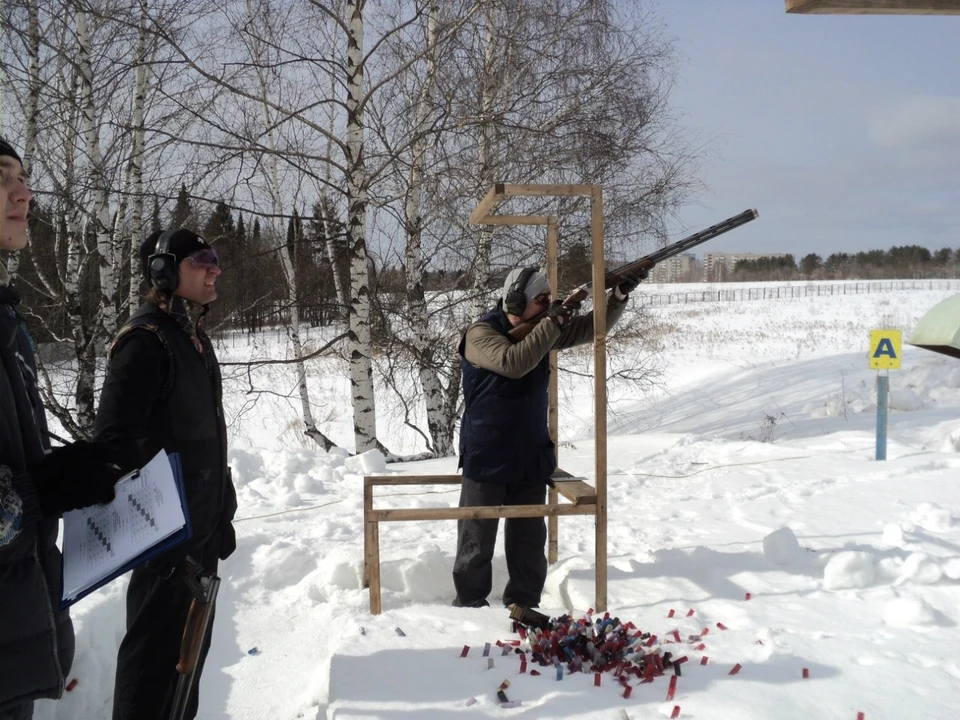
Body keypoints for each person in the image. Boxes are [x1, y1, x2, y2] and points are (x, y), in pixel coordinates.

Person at [94, 228, 238, 720]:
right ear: (163, 270)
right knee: (151, 666)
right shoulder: (145, 341)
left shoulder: (192, 339)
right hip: (164, 547)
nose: (214, 267)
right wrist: (155, 538)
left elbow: (200, 437)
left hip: (200, 534)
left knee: (186, 668)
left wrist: (221, 500)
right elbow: (113, 446)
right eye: (201, 260)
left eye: (215, 258)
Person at [1, 137, 122, 719]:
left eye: (22, 177)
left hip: (16, 641)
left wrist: (56, 473)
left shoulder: (5, 318)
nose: (23, 193)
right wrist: (40, 491)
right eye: (1, 178)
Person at [452, 265, 645, 610]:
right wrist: (552, 322)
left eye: (549, 299)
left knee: (528, 541)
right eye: (540, 300)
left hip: (529, 454)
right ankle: (469, 605)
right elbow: (514, 362)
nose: (548, 304)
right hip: (487, 454)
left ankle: (525, 605)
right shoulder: (480, 334)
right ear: (515, 302)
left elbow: (591, 329)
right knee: (476, 541)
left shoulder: (542, 328)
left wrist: (617, 297)